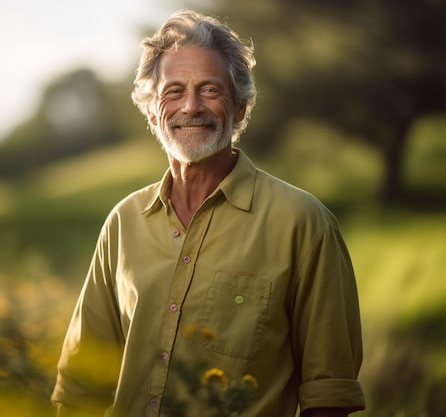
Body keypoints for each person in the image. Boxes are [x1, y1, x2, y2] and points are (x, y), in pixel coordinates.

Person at [51, 9, 365, 417]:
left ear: (238, 108)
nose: (191, 106)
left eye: (210, 90)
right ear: (151, 110)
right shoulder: (123, 223)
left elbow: (330, 397)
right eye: (174, 90)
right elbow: (81, 385)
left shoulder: (303, 224)